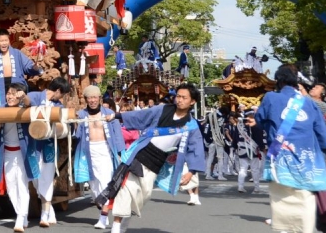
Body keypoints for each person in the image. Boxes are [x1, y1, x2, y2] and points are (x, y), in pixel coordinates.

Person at [101, 84, 205, 233]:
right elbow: (141, 116)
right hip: (140, 153)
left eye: (184, 97)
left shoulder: (191, 125)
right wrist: (116, 116)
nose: (179, 100)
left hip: (157, 162)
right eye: (178, 96)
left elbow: (195, 149)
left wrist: (191, 172)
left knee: (143, 195)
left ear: (193, 101)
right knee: (126, 188)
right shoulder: (162, 109)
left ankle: (125, 220)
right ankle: (116, 227)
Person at [254, 65, 326, 233]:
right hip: (307, 161)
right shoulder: (309, 103)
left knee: (283, 205)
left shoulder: (270, 98)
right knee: (305, 202)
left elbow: (259, 120)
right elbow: (322, 135)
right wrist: (321, 153)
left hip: (280, 160)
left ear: (279, 81)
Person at [73, 85, 124, 229]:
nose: (93, 100)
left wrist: (121, 153)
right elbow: (77, 136)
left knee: (105, 183)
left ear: (99, 98)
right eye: (90, 98)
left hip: (105, 150)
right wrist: (75, 126)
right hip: (87, 152)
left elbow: (117, 134)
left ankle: (102, 218)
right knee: (94, 186)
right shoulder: (81, 115)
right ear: (86, 100)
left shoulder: (109, 113)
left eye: (95, 97)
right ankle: (104, 211)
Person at [0, 83, 39, 232]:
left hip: (22, 153)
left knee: (21, 184)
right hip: (6, 152)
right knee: (11, 186)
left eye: (14, 94)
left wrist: (24, 97)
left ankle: (20, 216)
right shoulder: (1, 108)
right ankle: (22, 214)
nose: (10, 96)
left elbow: (31, 104)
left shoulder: (25, 108)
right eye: (8, 94)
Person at [28, 77, 72, 227]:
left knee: (46, 179)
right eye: (63, 94)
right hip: (32, 144)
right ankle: (49, 208)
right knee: (35, 180)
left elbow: (63, 126)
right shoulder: (34, 96)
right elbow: (26, 105)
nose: (62, 98)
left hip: (48, 146)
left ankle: (44, 215)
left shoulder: (58, 106)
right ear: (58, 91)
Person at [0, 28, 43, 107]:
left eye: (6, 40)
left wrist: (34, 67)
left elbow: (28, 66)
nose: (4, 43)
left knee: (19, 107)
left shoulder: (17, 53)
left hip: (16, 84)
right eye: (1, 41)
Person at [236, 109, 265, 193]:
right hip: (253, 149)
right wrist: (262, 147)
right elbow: (259, 138)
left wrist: (234, 147)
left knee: (243, 169)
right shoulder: (256, 126)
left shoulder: (239, 126)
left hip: (241, 149)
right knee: (255, 169)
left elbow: (235, 138)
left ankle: (240, 186)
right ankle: (256, 187)